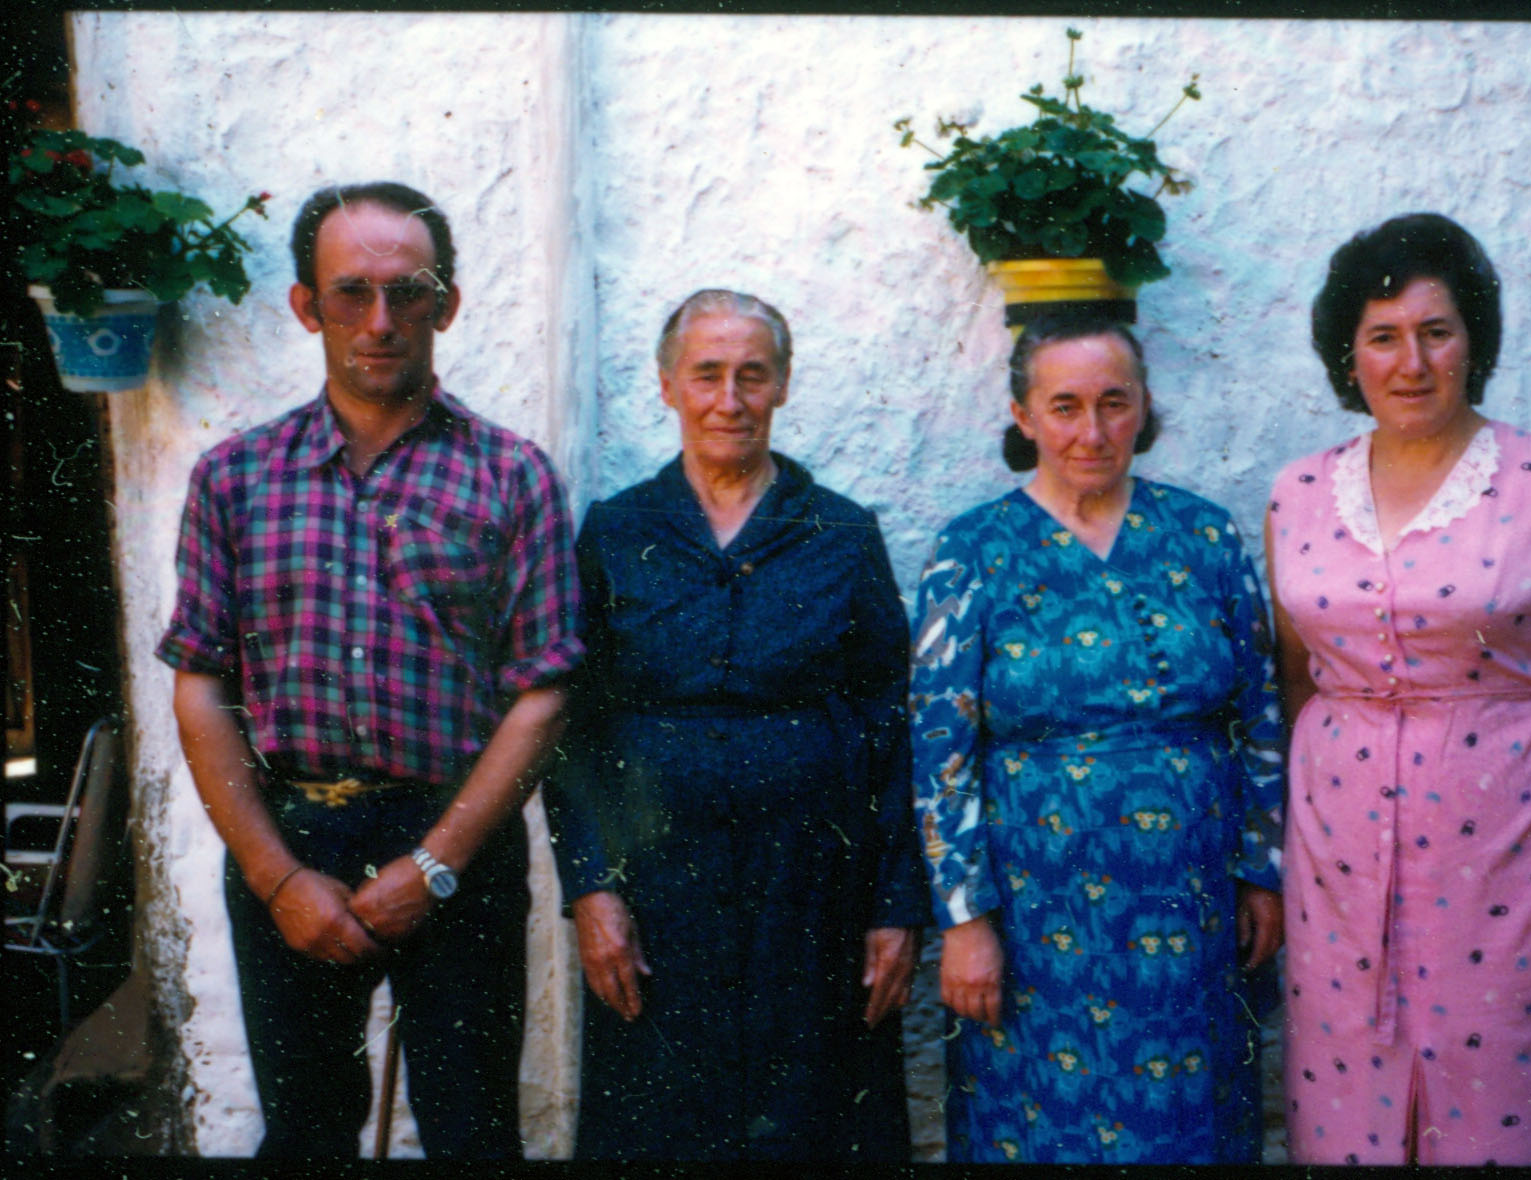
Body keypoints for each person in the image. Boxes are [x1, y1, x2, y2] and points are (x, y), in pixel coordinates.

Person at [156, 182, 583, 1158]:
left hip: (457, 840)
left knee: (473, 1136)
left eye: (408, 291)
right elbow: (200, 684)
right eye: (351, 292)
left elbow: (545, 691)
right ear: (308, 306)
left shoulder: (511, 474)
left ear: (448, 304)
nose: (380, 321)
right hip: (291, 838)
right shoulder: (235, 479)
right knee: (304, 1134)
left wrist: (433, 866)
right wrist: (275, 878)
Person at [1268, 212, 1531, 1165]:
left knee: (1509, 1120)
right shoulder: (1298, 494)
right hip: (1340, 882)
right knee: (1348, 1122)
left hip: (1514, 873)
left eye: (1436, 332)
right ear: (1348, 354)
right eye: (1383, 336)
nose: (1411, 363)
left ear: (1472, 341)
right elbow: (1295, 683)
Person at [542, 289, 927, 1161]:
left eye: (752, 375)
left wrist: (897, 906)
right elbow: (577, 727)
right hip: (659, 895)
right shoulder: (618, 531)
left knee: (816, 1127)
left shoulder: (841, 532)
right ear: (667, 386)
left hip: (814, 895)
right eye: (707, 374)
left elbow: (892, 722)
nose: (730, 399)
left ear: (783, 385)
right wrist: (591, 888)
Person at [908, 313, 1285, 1164]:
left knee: (1189, 1124)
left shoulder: (1203, 535)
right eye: (1065, 406)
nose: (1092, 430)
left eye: (1114, 403)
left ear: (1143, 407)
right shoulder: (973, 549)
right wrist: (964, 921)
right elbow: (940, 749)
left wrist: (1263, 872)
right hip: (1035, 920)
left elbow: (1261, 713)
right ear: (1023, 416)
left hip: (1191, 911)